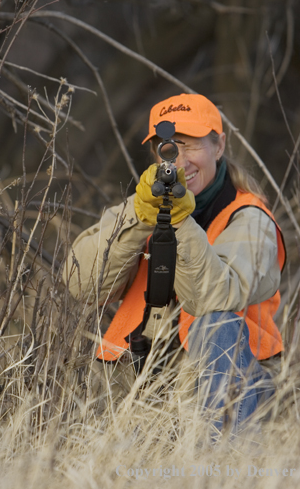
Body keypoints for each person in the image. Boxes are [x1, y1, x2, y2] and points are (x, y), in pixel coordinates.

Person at [64, 93, 285, 435]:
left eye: (191, 145)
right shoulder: (144, 204)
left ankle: (223, 466)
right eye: (167, 148)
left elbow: (214, 300)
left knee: (217, 323)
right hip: (146, 390)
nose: (180, 161)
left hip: (238, 398)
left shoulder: (251, 219)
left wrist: (179, 222)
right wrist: (140, 219)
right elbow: (80, 284)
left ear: (219, 146)